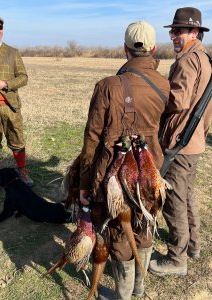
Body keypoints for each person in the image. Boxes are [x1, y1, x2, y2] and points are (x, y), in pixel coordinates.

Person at [79, 21, 169, 299]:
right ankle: (139, 289)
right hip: (152, 167)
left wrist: (85, 183)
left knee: (119, 230)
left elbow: (92, 138)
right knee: (145, 221)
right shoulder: (164, 84)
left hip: (115, 172)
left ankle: (124, 295)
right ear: (153, 49)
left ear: (125, 48)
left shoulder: (108, 86)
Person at [149, 7, 212, 277]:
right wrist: (202, 133)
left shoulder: (188, 60)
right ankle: (194, 246)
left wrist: (154, 100)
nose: (173, 35)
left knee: (173, 201)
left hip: (180, 141)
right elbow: (208, 109)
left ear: (194, 32)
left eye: (178, 31)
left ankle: (177, 259)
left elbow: (177, 100)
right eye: (172, 30)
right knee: (186, 195)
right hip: (194, 141)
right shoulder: (206, 59)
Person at [0, 13, 33, 193]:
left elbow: (23, 77)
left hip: (10, 106)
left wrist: (4, 84)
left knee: (18, 141)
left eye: (0, 27)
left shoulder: (13, 52)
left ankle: (22, 171)